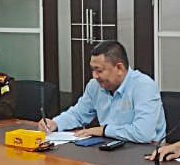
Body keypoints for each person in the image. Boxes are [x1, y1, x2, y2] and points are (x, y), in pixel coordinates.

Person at [38, 40, 166, 143]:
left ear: (119, 68)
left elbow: (144, 133)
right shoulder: (95, 86)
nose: (94, 76)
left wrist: (103, 130)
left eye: (99, 71)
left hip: (145, 152)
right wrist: (55, 123)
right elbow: (78, 114)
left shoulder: (143, 86)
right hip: (110, 147)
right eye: (92, 70)